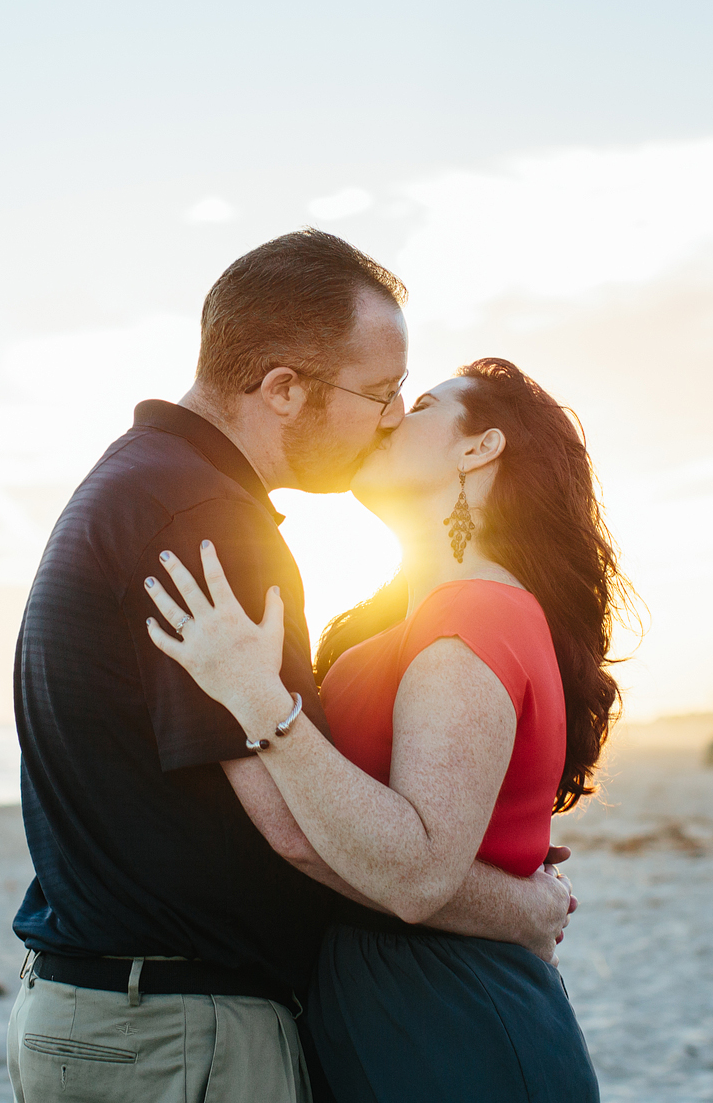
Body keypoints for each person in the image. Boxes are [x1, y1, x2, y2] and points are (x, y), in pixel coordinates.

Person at [8, 233, 577, 1103]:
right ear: (283, 388)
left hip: (139, 1018)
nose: (390, 417)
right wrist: (518, 905)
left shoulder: (151, 484)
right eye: (383, 393)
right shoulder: (209, 522)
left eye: (407, 400)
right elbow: (304, 834)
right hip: (175, 1029)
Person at [145, 357, 627, 1102]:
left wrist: (255, 696)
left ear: (479, 448)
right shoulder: (403, 623)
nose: (394, 412)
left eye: (426, 403)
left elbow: (417, 865)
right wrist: (515, 899)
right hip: (395, 1011)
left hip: (450, 1021)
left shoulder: (477, 614)